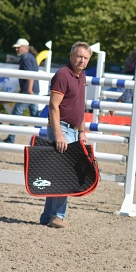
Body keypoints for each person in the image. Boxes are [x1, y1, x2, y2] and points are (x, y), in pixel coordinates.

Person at [40, 41, 91, 228]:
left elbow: (79, 106)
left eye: (85, 58)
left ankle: (47, 216)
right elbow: (53, 106)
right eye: (79, 56)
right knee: (65, 173)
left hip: (73, 130)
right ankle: (58, 216)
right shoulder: (62, 75)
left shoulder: (81, 76)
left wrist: (82, 131)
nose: (82, 60)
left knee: (56, 172)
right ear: (71, 56)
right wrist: (59, 134)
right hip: (62, 128)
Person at [0, 39, 40, 143]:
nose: (16, 49)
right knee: (36, 117)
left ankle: (11, 139)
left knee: (16, 115)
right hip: (34, 90)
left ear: (24, 47)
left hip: (28, 91)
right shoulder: (30, 57)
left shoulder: (26, 58)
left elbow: (30, 75)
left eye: (18, 47)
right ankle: (42, 139)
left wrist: (29, 90)